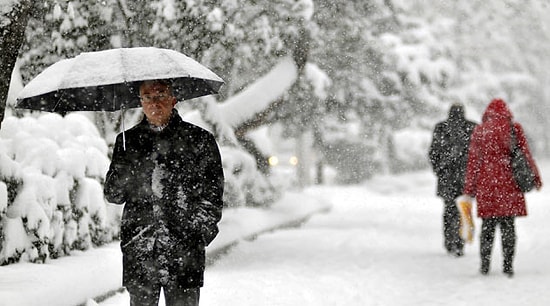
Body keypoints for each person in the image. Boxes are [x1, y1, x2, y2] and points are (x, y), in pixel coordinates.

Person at [104, 79, 225, 305]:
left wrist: (197, 233)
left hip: (184, 252)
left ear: (173, 98)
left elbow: (212, 195)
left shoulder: (198, 140)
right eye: (147, 97)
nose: (154, 103)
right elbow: (113, 194)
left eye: (160, 95)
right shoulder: (127, 142)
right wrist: (127, 166)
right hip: (140, 249)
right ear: (140, 102)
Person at [463, 98, 542, 277]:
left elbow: (473, 162)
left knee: (487, 226)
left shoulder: (480, 130)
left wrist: (469, 189)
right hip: (509, 183)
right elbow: (526, 155)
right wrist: (535, 178)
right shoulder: (514, 128)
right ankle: (508, 265)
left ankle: (485, 265)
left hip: (487, 184)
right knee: (508, 225)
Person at [429, 103, 477, 257]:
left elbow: (433, 152)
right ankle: (460, 242)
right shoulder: (472, 128)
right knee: (463, 209)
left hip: (447, 177)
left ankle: (450, 240)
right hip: (466, 178)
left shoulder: (441, 128)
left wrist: (439, 170)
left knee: (449, 209)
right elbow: (479, 154)